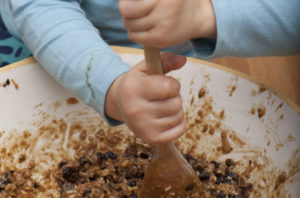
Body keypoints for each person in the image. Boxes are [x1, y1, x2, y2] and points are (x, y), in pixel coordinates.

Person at [0, 0, 299, 144]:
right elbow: (43, 6)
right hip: (45, 38)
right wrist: (113, 88)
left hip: (187, 43)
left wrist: (206, 15)